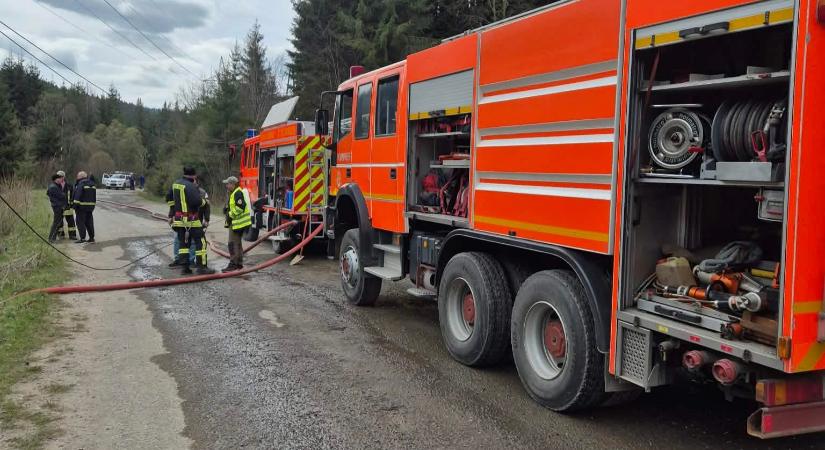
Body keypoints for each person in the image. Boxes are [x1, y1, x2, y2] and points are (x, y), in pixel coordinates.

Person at [167, 167, 215, 275]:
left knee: (183, 244)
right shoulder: (191, 186)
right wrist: (204, 202)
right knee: (201, 242)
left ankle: (185, 268)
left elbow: (169, 198)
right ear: (194, 176)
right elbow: (196, 202)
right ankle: (202, 267)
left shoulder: (175, 184)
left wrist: (172, 214)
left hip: (179, 220)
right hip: (192, 221)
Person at [169, 180, 210, 268]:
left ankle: (190, 261)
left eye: (194, 182)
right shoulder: (182, 189)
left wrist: (206, 219)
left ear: (197, 183)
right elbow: (173, 203)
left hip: (196, 221)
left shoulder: (202, 192)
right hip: (182, 221)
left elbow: (207, 206)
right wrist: (171, 215)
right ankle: (179, 260)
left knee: (194, 243)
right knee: (179, 241)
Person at [222, 176, 251, 272]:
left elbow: (240, 207)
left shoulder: (237, 193)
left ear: (233, 184)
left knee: (232, 243)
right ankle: (238, 263)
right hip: (237, 223)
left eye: (228, 184)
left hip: (237, 223)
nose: (226, 186)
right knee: (237, 243)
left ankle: (233, 264)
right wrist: (226, 208)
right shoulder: (234, 192)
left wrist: (230, 214)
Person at [73, 171, 96, 243]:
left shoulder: (81, 184)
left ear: (81, 177)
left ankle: (82, 238)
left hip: (81, 207)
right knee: (89, 223)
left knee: (80, 222)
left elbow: (77, 195)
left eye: (77, 176)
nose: (77, 177)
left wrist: (74, 206)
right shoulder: (92, 184)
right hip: (90, 207)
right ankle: (91, 238)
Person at [55, 170, 77, 240]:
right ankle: (61, 235)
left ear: (64, 177)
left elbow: (73, 195)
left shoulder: (69, 185)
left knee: (71, 221)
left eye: (61, 176)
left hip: (68, 206)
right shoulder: (54, 185)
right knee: (59, 222)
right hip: (58, 207)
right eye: (58, 176)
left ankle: (72, 235)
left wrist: (71, 204)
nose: (59, 178)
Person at [46, 174, 68, 242]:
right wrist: (64, 194)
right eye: (60, 178)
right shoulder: (53, 187)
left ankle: (53, 238)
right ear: (56, 179)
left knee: (58, 223)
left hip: (58, 206)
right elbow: (61, 196)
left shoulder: (56, 186)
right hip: (57, 207)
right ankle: (52, 238)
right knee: (56, 223)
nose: (61, 180)